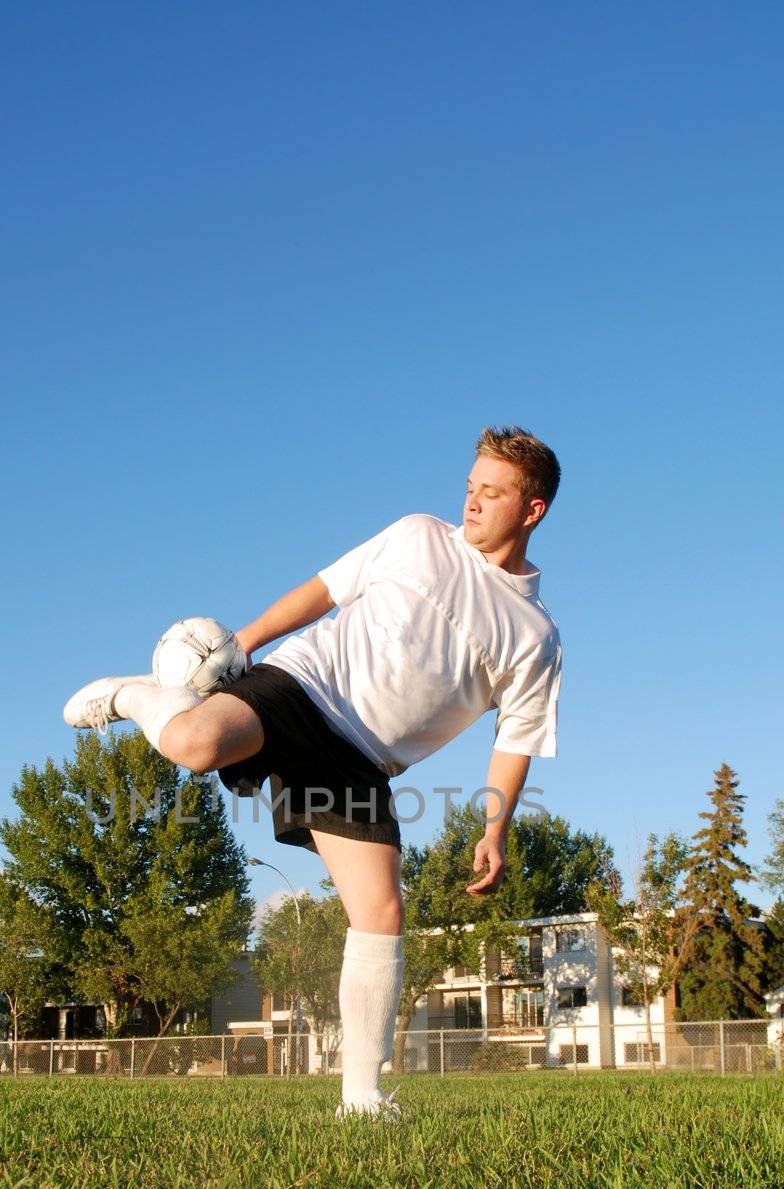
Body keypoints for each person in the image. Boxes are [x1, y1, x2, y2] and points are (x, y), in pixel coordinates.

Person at [63, 426, 562, 1116]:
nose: (472, 503)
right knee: (198, 744)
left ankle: (361, 1098)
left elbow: (519, 736)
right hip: (302, 687)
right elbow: (324, 590)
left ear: (531, 509)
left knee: (382, 912)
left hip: (362, 760)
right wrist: (241, 645)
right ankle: (130, 694)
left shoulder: (535, 636)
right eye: (470, 487)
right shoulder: (418, 535)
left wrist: (494, 827)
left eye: (492, 493)